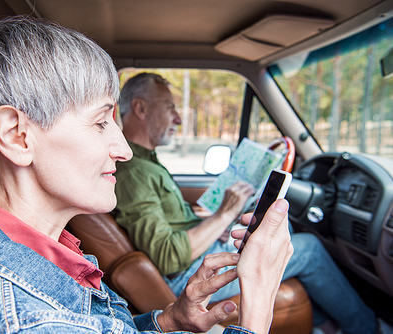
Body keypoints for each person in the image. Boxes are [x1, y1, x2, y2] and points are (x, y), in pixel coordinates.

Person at [0, 16, 294, 334]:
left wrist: (169, 320)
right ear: (17, 136)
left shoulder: (17, 247)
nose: (123, 150)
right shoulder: (29, 322)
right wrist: (257, 302)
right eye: (100, 122)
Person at [113, 72, 392, 334]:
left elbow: (170, 229)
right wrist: (224, 214)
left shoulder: (146, 162)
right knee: (310, 249)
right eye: (170, 107)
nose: (177, 118)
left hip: (194, 258)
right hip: (183, 276)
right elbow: (167, 256)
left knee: (283, 236)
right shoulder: (134, 171)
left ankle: (325, 323)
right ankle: (369, 328)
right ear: (140, 109)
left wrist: (213, 227)